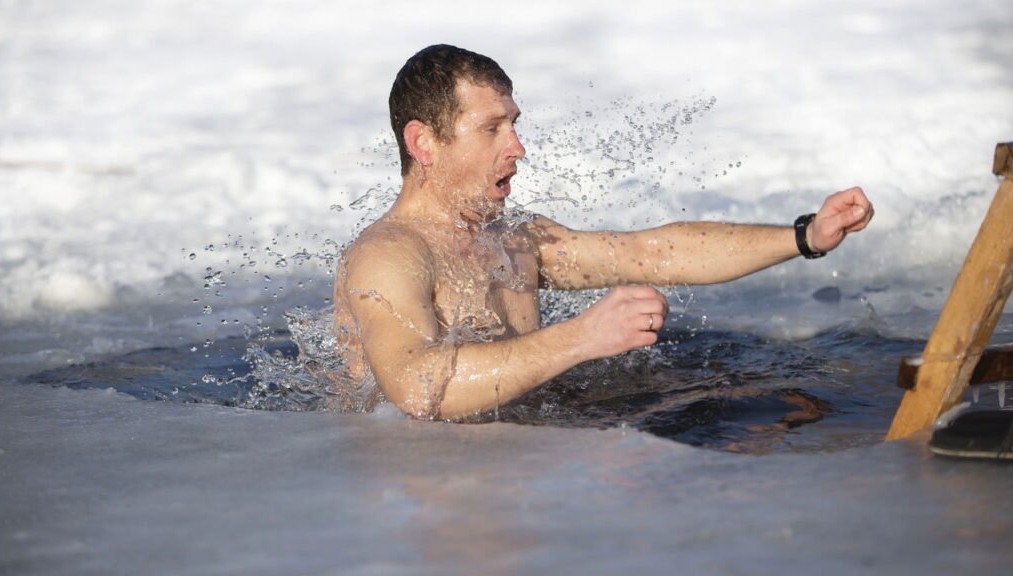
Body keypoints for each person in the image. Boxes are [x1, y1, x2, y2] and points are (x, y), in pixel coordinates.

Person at [331, 44, 874, 420]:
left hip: (519, 451)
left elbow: (649, 252)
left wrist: (805, 236)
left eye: (514, 124)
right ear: (423, 143)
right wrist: (582, 338)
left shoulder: (513, 241)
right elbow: (417, 390)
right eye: (492, 129)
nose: (517, 147)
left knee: (787, 408)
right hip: (424, 481)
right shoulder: (390, 254)